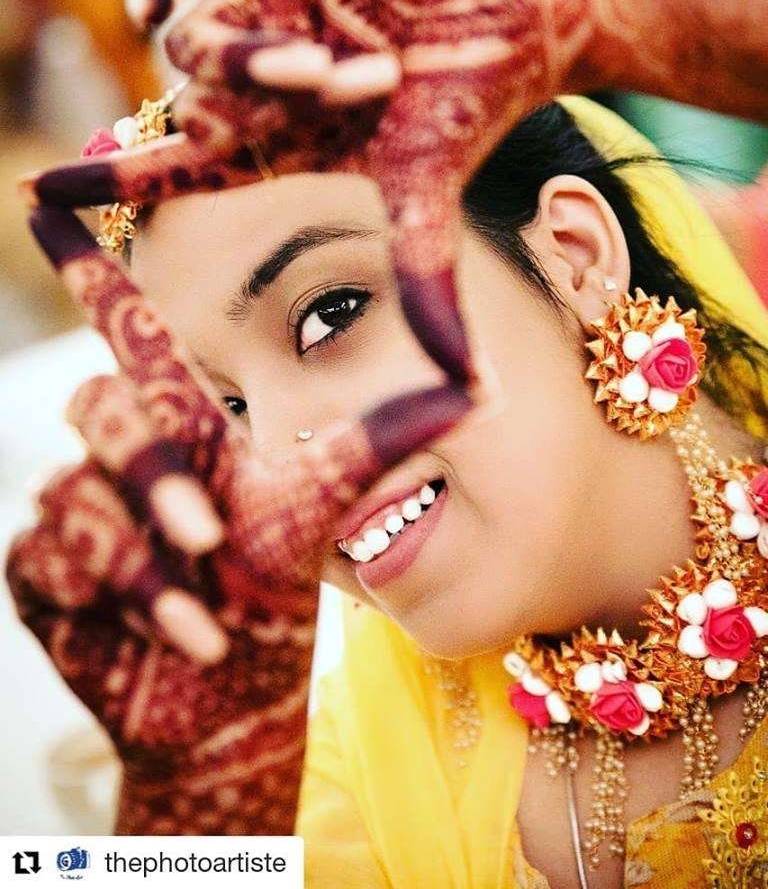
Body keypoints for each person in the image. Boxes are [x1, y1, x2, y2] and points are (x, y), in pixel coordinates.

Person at [9, 92, 768, 887]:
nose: (275, 465)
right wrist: (193, 797)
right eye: (224, 413)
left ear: (573, 255)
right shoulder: (356, 768)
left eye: (329, 315)